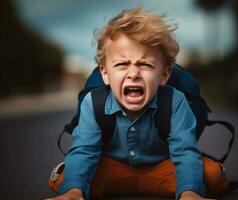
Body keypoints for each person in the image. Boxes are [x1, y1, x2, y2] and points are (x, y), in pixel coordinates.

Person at [47, 6, 217, 200]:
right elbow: (85, 150)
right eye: (121, 64)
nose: (134, 73)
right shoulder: (93, 103)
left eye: (145, 64)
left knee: (212, 176)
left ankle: (176, 189)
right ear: (104, 72)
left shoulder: (175, 101)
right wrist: (73, 191)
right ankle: (81, 189)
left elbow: (185, 151)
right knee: (64, 179)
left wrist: (190, 193)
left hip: (162, 167)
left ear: (165, 74)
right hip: (112, 167)